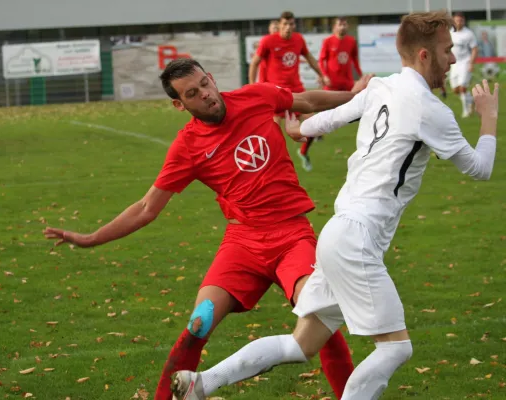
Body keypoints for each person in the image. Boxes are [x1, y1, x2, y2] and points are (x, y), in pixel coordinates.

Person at [172, 11, 498, 399]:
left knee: (300, 345)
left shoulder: (381, 88)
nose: (454, 59)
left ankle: (200, 383)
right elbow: (480, 169)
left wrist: (299, 128)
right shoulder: (432, 110)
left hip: (336, 234)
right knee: (396, 347)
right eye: (448, 51)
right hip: (358, 241)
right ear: (425, 55)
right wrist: (489, 119)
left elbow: (331, 118)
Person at [44, 58, 372, 400]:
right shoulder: (187, 147)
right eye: (192, 93)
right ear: (179, 104)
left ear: (212, 78)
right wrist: (92, 238)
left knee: (318, 314)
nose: (205, 95)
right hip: (242, 243)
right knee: (198, 323)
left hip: (292, 235)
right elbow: (146, 208)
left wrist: (354, 96)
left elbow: (308, 101)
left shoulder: (257, 96)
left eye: (205, 84)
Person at [249, 10, 326, 172]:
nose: (288, 27)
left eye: (291, 24)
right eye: (284, 24)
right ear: (280, 25)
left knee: (316, 125)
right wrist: (252, 85)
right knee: (272, 135)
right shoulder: (268, 41)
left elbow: (310, 57)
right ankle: (271, 168)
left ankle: (303, 152)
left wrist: (321, 74)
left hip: (296, 92)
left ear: (294, 25)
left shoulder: (298, 39)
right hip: (275, 94)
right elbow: (255, 62)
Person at [296, 16, 364, 169]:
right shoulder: (328, 42)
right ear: (334, 27)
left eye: (345, 23)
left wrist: (360, 77)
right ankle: (304, 151)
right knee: (319, 120)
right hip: (331, 86)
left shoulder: (351, 42)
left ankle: (368, 153)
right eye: (340, 24)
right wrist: (324, 75)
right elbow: (321, 60)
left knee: (364, 112)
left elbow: (354, 61)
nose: (343, 26)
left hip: (347, 85)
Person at [450, 12, 478, 117]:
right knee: (455, 90)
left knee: (462, 88)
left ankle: (466, 111)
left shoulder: (468, 34)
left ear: (464, 21)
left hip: (465, 62)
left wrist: (471, 63)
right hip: (454, 64)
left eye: (460, 20)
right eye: (456, 20)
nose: (458, 23)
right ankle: (471, 100)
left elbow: (475, 49)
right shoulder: (450, 32)